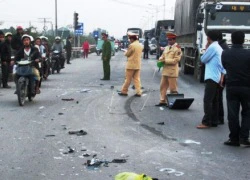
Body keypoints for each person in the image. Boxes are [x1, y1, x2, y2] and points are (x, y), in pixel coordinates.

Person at [222, 31, 250, 146]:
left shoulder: (225, 53)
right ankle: (244, 137)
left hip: (231, 87)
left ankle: (234, 138)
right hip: (247, 87)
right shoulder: (248, 54)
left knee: (232, 114)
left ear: (231, 40)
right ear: (243, 40)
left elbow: (224, 66)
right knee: (247, 112)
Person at [196, 30, 226, 129]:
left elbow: (203, 59)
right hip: (217, 76)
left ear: (209, 38)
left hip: (211, 76)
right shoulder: (219, 47)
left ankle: (206, 122)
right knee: (215, 100)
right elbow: (222, 64)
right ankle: (214, 121)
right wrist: (222, 76)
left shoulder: (212, 47)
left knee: (208, 100)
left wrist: (206, 48)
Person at [155, 32, 182, 107]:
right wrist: (160, 60)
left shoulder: (178, 48)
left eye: (170, 40)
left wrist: (165, 61)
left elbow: (176, 60)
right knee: (162, 86)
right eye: (168, 40)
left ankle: (174, 102)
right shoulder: (167, 47)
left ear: (174, 40)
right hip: (165, 71)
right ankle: (162, 101)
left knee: (173, 89)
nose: (169, 41)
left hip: (172, 72)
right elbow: (162, 56)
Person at [118, 32, 143, 97]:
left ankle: (124, 91)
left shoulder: (132, 45)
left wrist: (125, 51)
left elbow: (127, 54)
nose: (129, 40)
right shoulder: (140, 45)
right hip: (137, 65)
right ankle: (139, 92)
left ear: (132, 39)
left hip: (131, 65)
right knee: (137, 79)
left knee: (128, 79)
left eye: (130, 39)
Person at [218, 31, 229, 125]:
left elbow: (223, 64)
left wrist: (222, 77)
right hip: (222, 75)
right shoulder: (223, 45)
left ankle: (219, 117)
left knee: (217, 97)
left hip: (221, 75)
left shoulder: (221, 47)